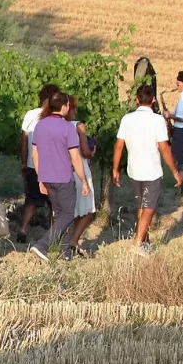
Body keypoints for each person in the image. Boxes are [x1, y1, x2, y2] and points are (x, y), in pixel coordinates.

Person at [113, 83, 182, 254]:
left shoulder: (127, 119)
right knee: (149, 207)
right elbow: (164, 148)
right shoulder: (157, 120)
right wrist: (174, 171)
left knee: (141, 206)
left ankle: (144, 241)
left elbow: (119, 146)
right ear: (153, 100)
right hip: (151, 170)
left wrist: (115, 169)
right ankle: (137, 243)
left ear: (136, 100)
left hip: (133, 169)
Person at [29, 92, 90, 261]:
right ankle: (42, 245)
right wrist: (84, 180)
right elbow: (75, 157)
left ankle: (65, 252)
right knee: (68, 215)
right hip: (63, 177)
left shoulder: (40, 125)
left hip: (47, 177)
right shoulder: (67, 128)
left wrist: (40, 177)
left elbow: (35, 154)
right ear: (64, 107)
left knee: (59, 215)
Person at [17, 83, 61, 244]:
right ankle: (54, 233)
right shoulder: (55, 118)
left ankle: (23, 228)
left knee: (32, 199)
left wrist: (23, 162)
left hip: (31, 165)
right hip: (52, 167)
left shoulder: (30, 115)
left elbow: (23, 141)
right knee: (55, 202)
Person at [64, 97, 99, 256]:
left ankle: (66, 241)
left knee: (67, 210)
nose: (76, 111)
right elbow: (85, 152)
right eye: (75, 108)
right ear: (69, 108)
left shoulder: (54, 125)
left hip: (62, 171)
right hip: (79, 171)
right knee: (88, 209)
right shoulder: (78, 126)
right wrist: (93, 151)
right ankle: (73, 241)